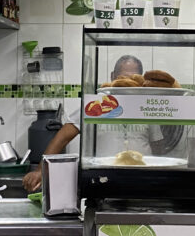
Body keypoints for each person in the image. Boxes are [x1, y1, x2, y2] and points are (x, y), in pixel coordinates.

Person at [22, 55, 159, 192]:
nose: (127, 83)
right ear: (112, 76)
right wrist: (40, 170)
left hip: (143, 178)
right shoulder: (97, 105)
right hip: (105, 179)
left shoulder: (145, 106)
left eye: (133, 78)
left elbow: (157, 145)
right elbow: (63, 136)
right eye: (122, 78)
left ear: (141, 80)